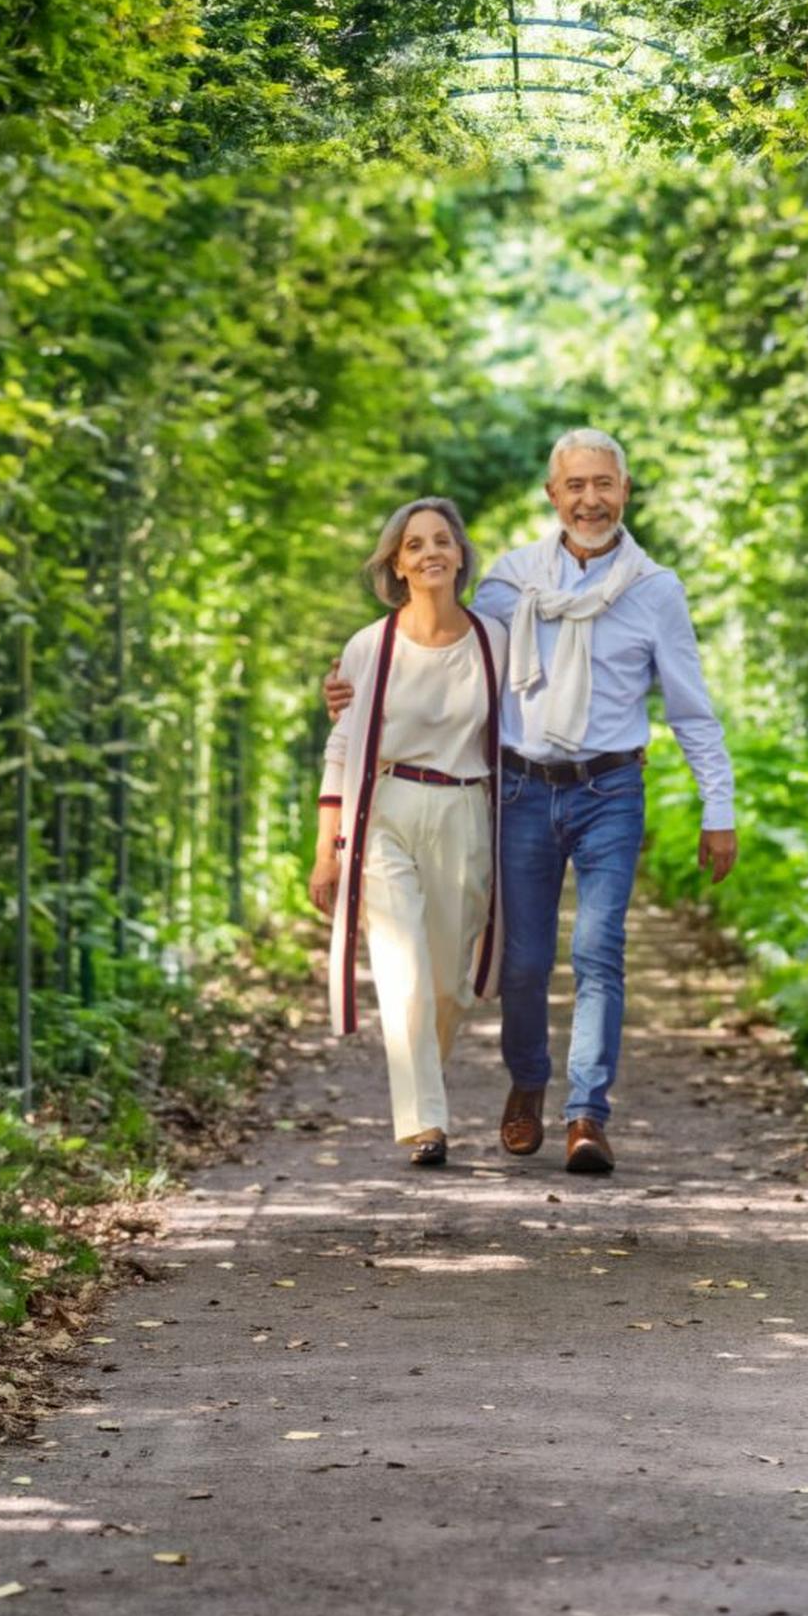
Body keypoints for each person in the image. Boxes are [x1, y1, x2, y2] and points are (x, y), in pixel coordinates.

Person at [328, 430, 734, 1176]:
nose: (590, 500)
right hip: (519, 789)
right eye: (574, 485)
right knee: (521, 963)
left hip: (611, 788)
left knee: (599, 951)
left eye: (603, 484)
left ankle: (587, 1113)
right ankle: (529, 1082)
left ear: (625, 490)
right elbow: (451, 655)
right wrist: (358, 685)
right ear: (553, 496)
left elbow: (691, 708)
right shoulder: (512, 583)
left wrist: (719, 807)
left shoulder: (656, 591)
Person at [308, 496, 511, 1168]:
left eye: (441, 541)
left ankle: (424, 1082)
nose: (430, 554)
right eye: (414, 545)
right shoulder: (370, 646)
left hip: (464, 811)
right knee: (403, 972)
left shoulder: (495, 641)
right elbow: (341, 749)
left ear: (460, 554)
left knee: (449, 985)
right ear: (396, 563)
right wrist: (326, 853)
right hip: (387, 810)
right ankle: (425, 1122)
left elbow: (531, 720)